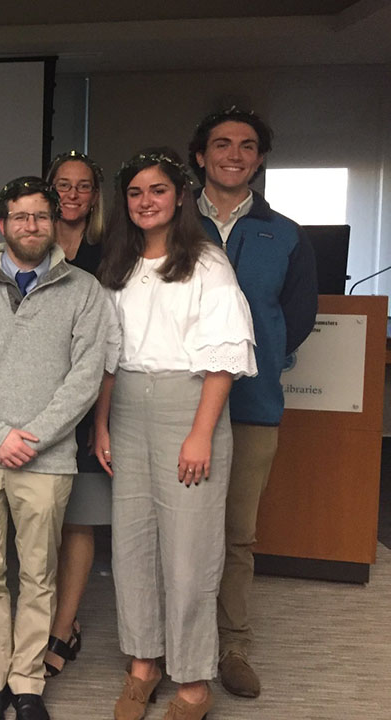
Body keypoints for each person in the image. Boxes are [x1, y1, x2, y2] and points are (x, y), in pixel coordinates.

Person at [0, 176, 115, 720]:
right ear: (2, 223)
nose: (31, 226)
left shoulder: (84, 290)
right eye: (20, 216)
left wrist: (30, 438)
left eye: (41, 216)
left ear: (54, 220)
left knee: (39, 576)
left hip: (47, 458)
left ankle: (28, 683)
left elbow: (85, 380)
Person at [94, 149, 257, 720]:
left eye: (157, 190)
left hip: (190, 406)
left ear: (180, 196)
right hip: (127, 411)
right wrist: (101, 425)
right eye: (136, 192)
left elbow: (223, 360)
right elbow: (108, 357)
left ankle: (192, 677)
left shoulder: (208, 263)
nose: (146, 201)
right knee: (132, 546)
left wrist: (201, 434)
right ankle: (143, 662)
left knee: (189, 553)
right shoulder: (117, 265)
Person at [188, 109, 318, 699]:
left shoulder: (284, 232)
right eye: (221, 144)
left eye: (246, 145)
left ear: (259, 158)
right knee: (182, 532)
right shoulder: (169, 219)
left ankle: (233, 643)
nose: (233, 154)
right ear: (201, 156)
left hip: (253, 405)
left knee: (238, 534)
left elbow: (296, 320)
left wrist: (254, 360)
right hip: (176, 406)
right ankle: (176, 640)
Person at [42, 150, 109, 677]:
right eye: (62, 185)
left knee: (78, 517)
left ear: (94, 195)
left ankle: (63, 628)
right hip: (33, 402)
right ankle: (43, 617)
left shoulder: (111, 253)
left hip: (88, 402)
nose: (71, 194)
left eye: (82, 186)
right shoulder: (28, 245)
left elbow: (112, 341)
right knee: (39, 516)